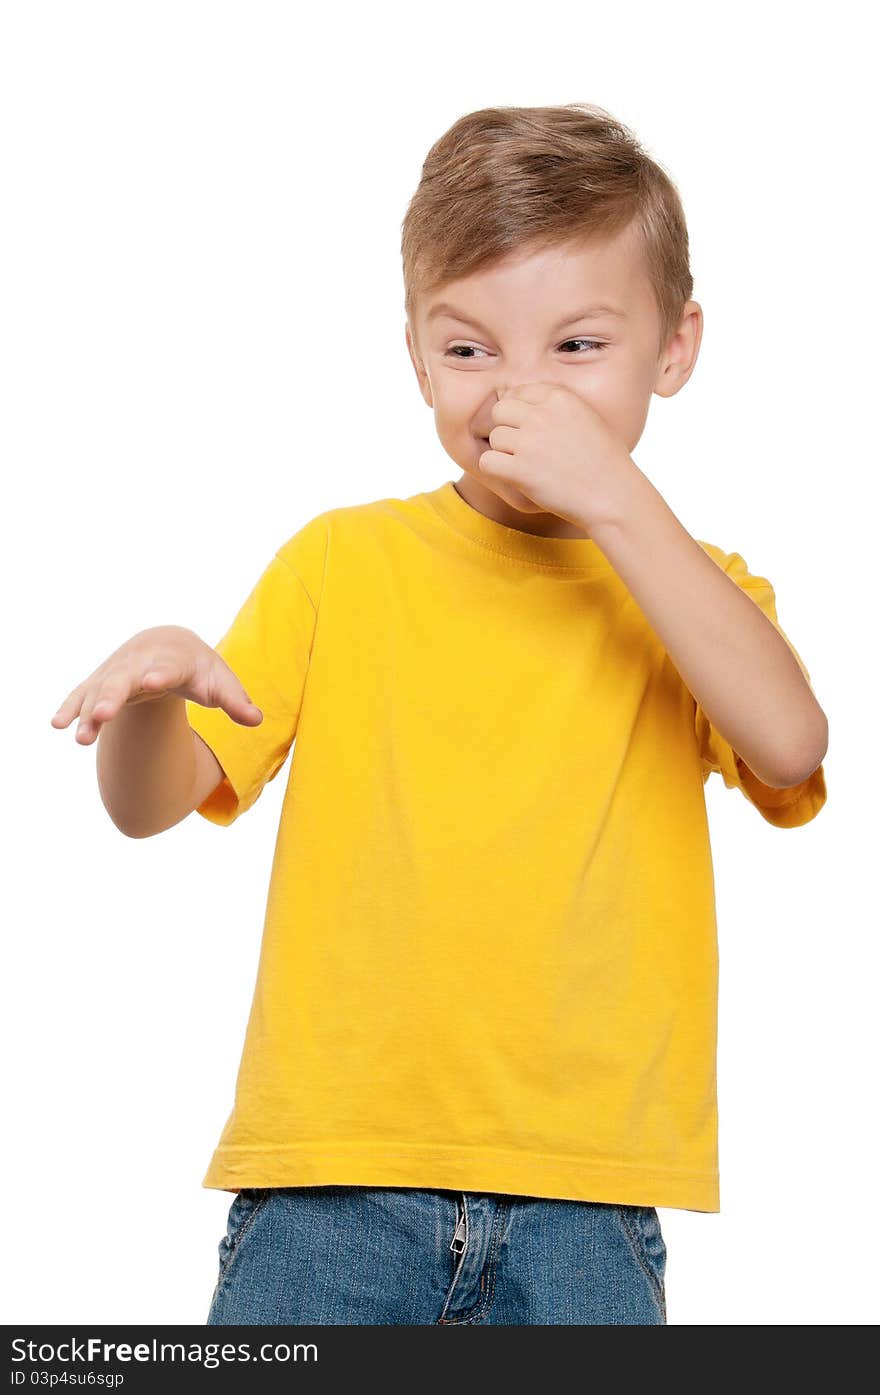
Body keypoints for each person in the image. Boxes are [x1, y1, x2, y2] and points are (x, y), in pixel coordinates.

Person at [51, 102, 828, 1326]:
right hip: (329, 1183)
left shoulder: (691, 589)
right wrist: (153, 700)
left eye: (577, 346)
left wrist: (618, 503)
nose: (520, 390)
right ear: (415, 354)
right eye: (468, 350)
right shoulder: (342, 562)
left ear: (674, 350)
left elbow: (790, 745)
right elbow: (149, 806)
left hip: (587, 1199)